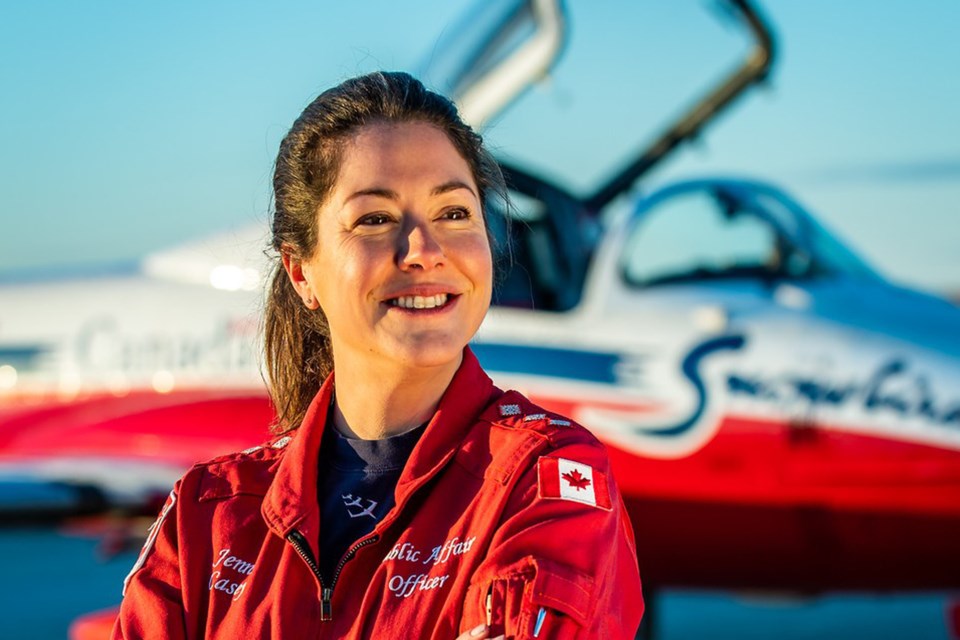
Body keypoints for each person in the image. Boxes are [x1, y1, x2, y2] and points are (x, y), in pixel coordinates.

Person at [114, 71, 643, 639]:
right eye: (375, 219)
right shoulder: (208, 514)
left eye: (455, 213)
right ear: (301, 272)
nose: (424, 250)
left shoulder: (545, 478)